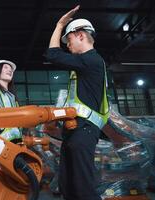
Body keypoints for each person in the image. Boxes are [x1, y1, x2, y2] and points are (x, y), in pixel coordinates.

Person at [43, 5, 109, 200]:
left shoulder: (91, 60)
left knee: (82, 188)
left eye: (69, 39)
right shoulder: (84, 65)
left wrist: (60, 24)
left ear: (80, 35)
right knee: (69, 186)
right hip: (76, 130)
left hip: (84, 130)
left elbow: (52, 54)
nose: (67, 45)